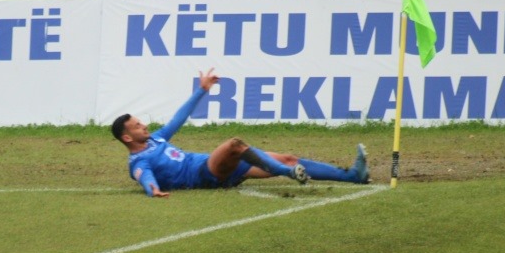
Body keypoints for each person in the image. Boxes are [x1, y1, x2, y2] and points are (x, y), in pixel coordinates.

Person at [111, 69, 369, 198]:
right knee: (234, 144)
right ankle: (287, 173)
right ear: (127, 138)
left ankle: (353, 176)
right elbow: (144, 177)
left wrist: (202, 90)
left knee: (289, 158)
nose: (143, 125)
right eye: (137, 126)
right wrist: (153, 190)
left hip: (214, 166)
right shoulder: (138, 161)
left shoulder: (156, 138)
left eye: (140, 122)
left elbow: (178, 118)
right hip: (205, 175)